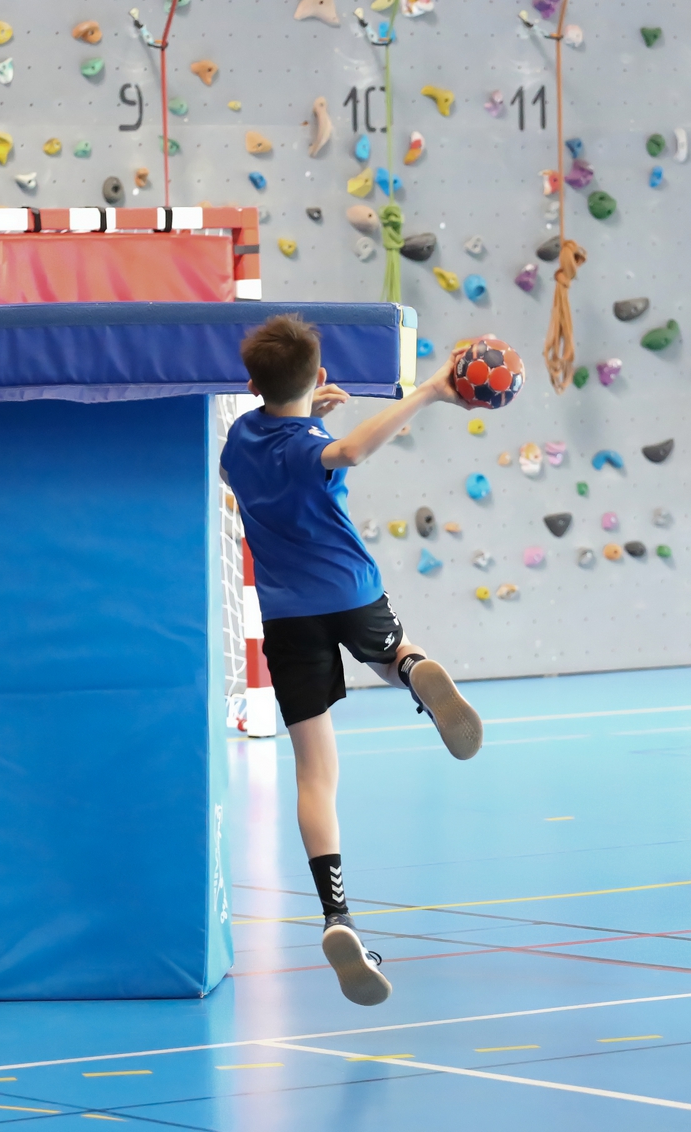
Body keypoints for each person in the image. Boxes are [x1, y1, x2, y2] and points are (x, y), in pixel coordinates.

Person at [219, 314, 482, 1007]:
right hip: (350, 590)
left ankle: (337, 915)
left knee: (315, 773)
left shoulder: (236, 444)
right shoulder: (315, 446)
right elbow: (349, 453)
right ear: (322, 379)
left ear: (250, 385)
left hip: (285, 615)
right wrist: (428, 391)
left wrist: (303, 409)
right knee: (392, 649)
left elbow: (280, 433)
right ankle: (409, 669)